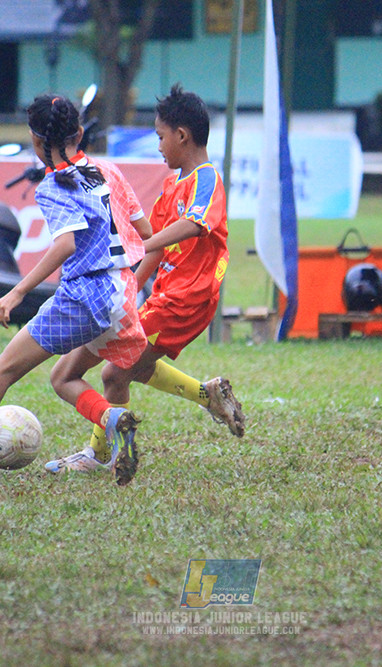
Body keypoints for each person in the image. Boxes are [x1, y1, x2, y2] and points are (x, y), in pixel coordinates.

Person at [0, 93, 146, 487]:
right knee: (62, 377)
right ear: (78, 133)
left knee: (3, 369)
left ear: (36, 141)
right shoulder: (108, 170)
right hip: (122, 295)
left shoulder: (53, 185)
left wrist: (17, 292)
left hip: (84, 297)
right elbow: (145, 232)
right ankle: (112, 417)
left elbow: (66, 244)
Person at [47, 84, 246, 475]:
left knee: (111, 372)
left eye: (160, 137)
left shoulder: (206, 180)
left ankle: (99, 455)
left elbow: (194, 224)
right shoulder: (171, 186)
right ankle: (208, 395)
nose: (158, 146)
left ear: (182, 136)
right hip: (165, 297)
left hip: (186, 301)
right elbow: (155, 249)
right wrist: (129, 289)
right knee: (125, 370)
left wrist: (142, 244)